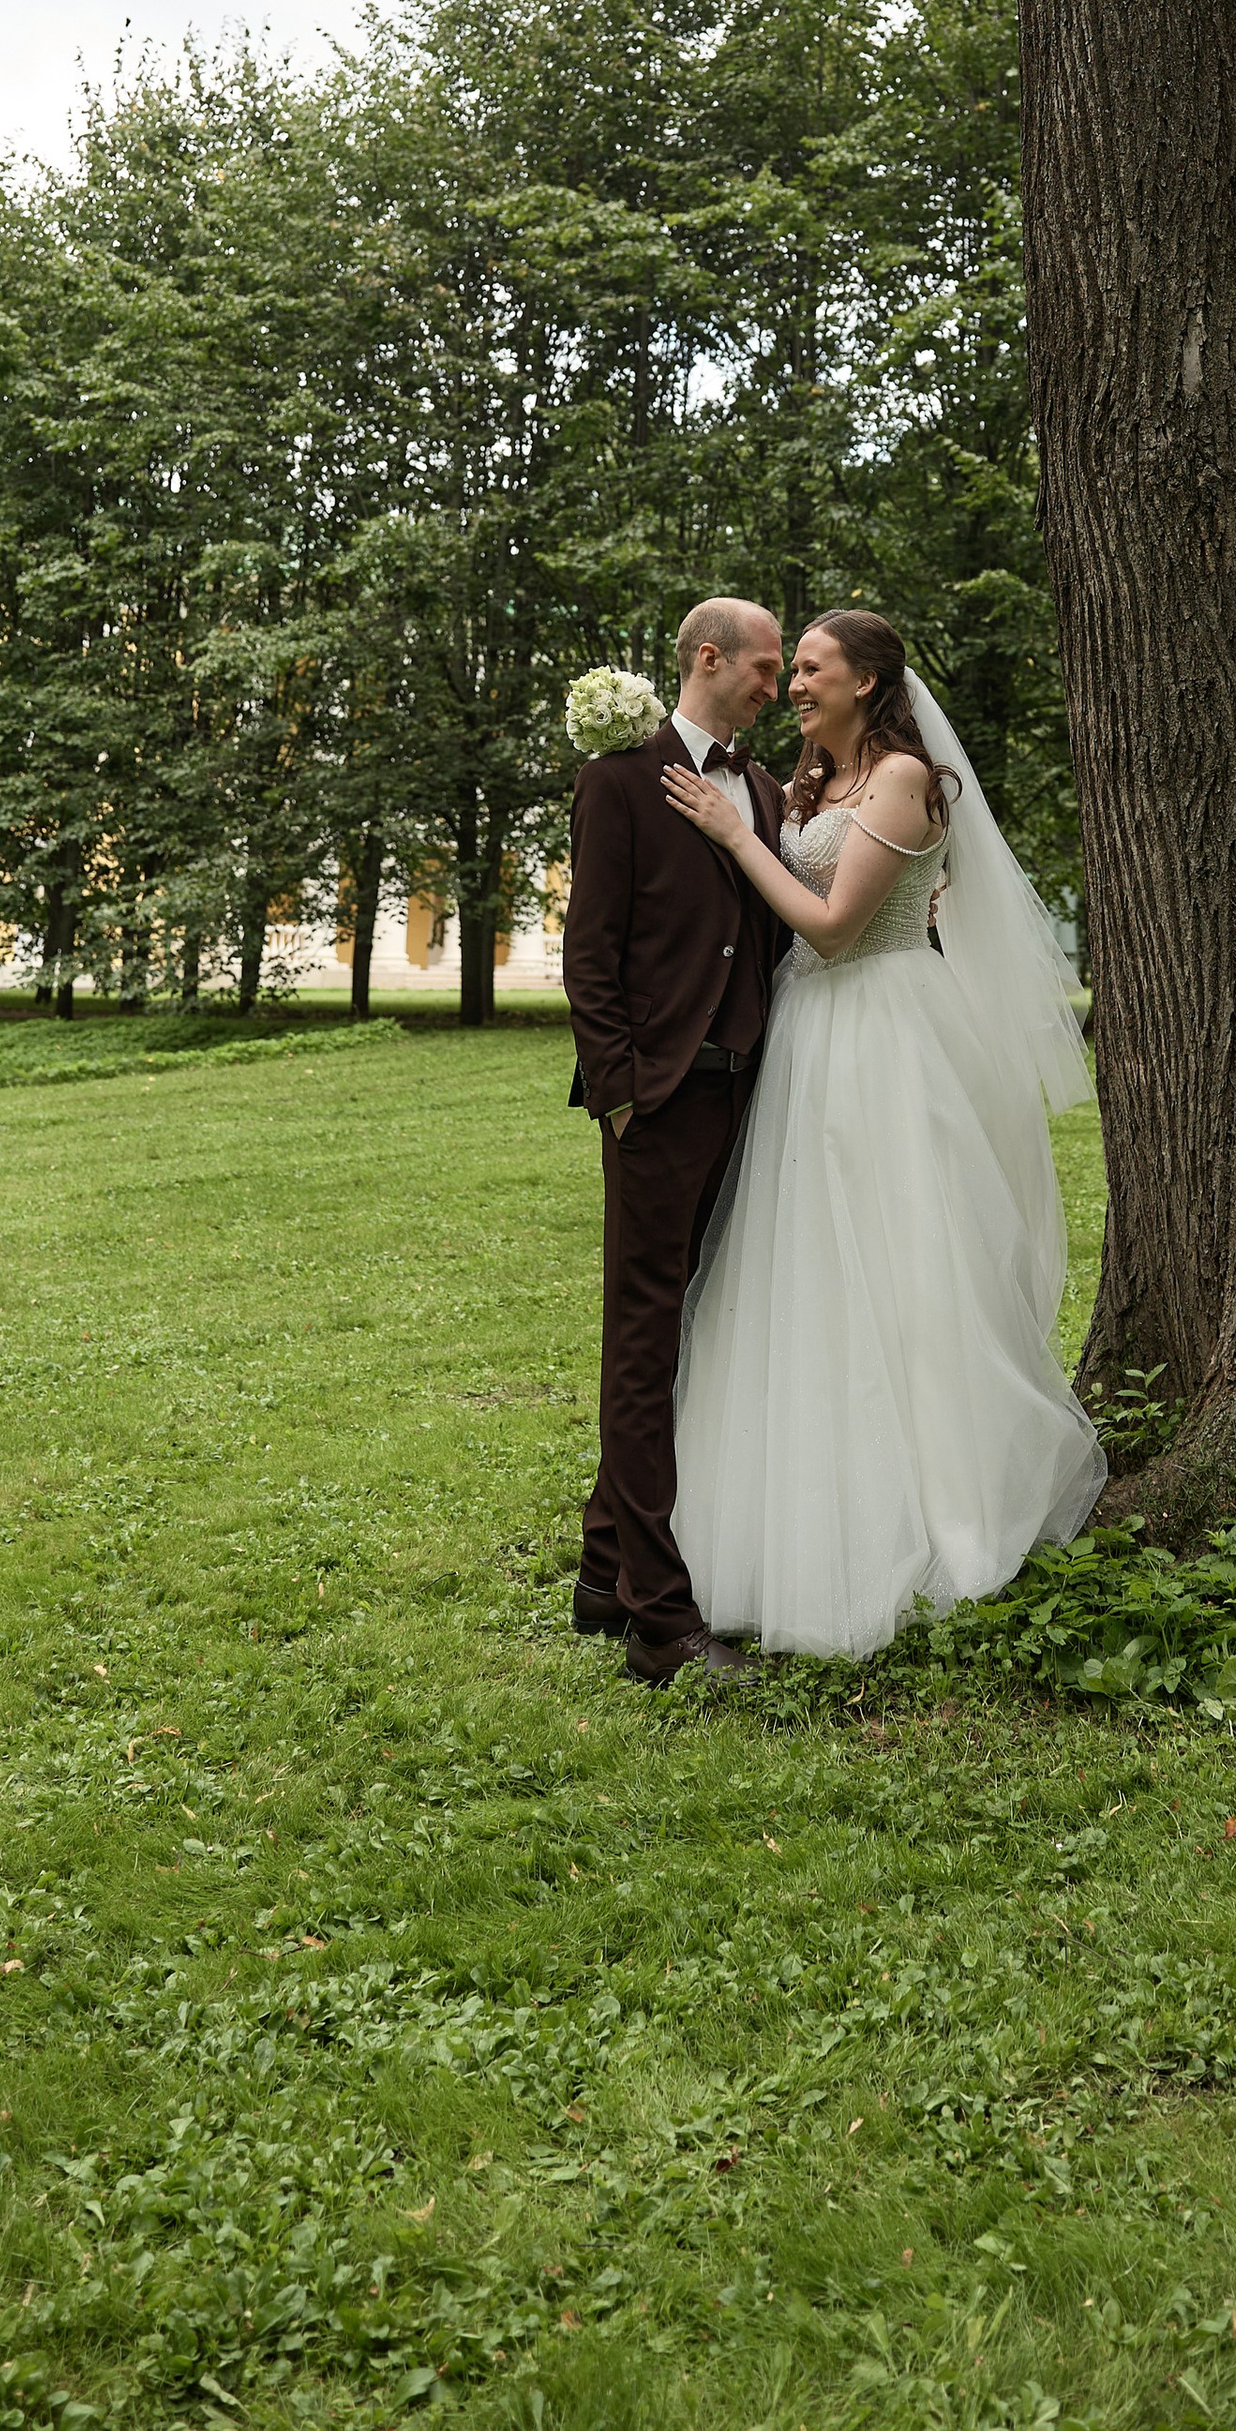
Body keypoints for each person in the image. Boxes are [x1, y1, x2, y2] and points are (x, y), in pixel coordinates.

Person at [660, 607, 1105, 1661]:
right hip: (808, 1036)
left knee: (904, 1268)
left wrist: (733, 833)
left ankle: (933, 1511)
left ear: (865, 681)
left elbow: (832, 928)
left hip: (883, 1034)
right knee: (807, 1265)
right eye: (788, 670)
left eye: (810, 668)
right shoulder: (815, 782)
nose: (792, 686)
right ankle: (795, 1513)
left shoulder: (902, 778)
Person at [562, 596, 789, 1686]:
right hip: (657, 1103)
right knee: (645, 1345)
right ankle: (660, 1619)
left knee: (693, 1331)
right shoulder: (618, 779)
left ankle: (604, 1572)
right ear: (710, 657)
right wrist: (620, 1095)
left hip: (748, 1097)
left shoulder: (767, 790)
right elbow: (590, 951)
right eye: (765, 667)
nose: (776, 687)